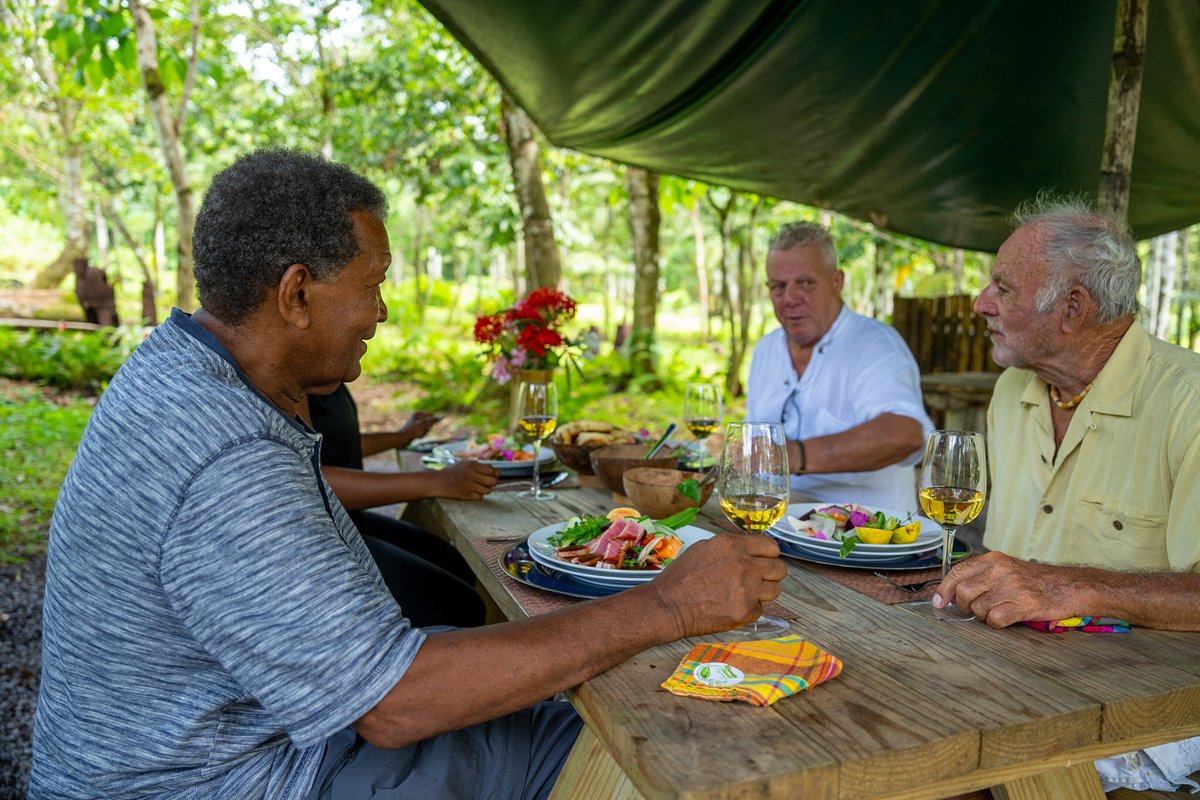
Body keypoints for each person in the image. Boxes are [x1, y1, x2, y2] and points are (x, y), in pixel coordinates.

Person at [30, 148, 787, 800]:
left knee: (535, 682)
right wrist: (670, 609)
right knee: (639, 752)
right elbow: (394, 705)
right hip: (242, 779)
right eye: (372, 284)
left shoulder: (179, 370)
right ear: (295, 294)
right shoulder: (225, 453)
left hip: (229, 752)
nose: (381, 312)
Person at [935, 195, 1200, 794]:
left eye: (1002, 287)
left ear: (1072, 310)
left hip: (1140, 718)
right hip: (1005, 688)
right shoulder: (1013, 392)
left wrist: (1066, 586)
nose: (981, 303)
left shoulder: (1189, 402)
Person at [745, 221, 933, 511]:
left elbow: (906, 434)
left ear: (837, 281)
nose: (790, 299)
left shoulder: (876, 345)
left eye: (806, 283)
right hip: (776, 519)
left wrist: (794, 455)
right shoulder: (766, 349)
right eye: (778, 287)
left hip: (865, 532)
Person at [302, 383, 499, 628]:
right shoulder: (291, 377)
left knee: (453, 560)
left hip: (346, 518)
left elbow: (332, 443)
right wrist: (438, 482)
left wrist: (401, 437)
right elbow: (308, 477)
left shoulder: (324, 373)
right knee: (459, 605)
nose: (369, 341)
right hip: (318, 533)